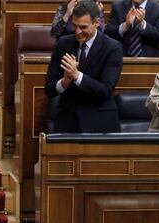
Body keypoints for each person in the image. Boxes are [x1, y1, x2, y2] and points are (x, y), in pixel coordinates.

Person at [45, 0, 123, 133]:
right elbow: (49, 89)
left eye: (83, 27)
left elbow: (105, 90)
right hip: (67, 122)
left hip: (99, 123)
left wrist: (77, 76)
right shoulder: (63, 44)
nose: (77, 31)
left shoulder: (112, 48)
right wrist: (64, 82)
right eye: (74, 26)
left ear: (97, 23)